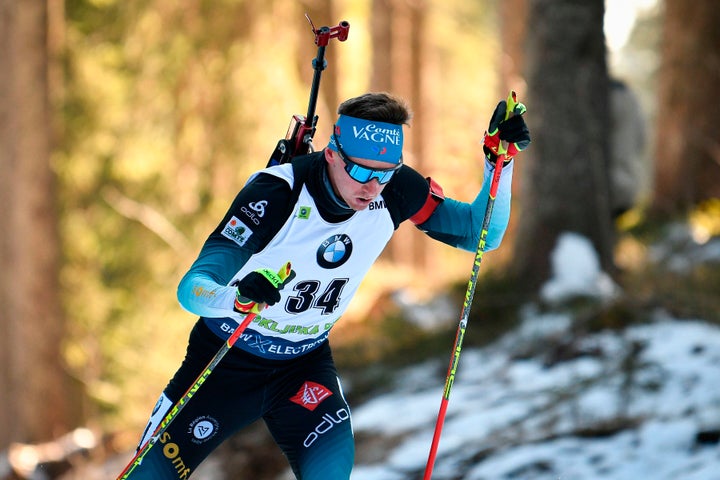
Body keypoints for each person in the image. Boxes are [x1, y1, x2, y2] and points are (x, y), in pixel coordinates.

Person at [126, 92, 530, 479]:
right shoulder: (276, 193)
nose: (372, 187)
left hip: (303, 365)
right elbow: (192, 287)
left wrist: (499, 164)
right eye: (360, 171)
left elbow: (481, 233)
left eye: (385, 174)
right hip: (226, 359)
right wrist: (235, 296)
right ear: (332, 154)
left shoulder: (396, 190)